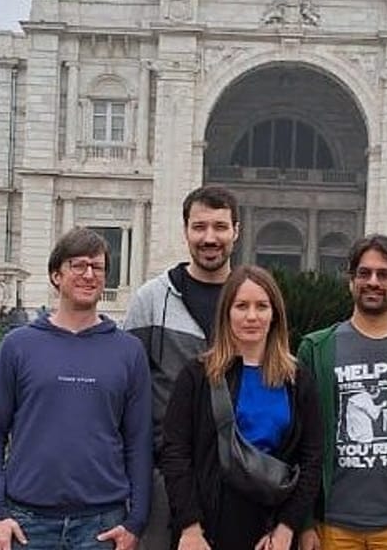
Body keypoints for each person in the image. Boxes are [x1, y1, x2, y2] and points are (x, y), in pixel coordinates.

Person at [0, 227, 152, 550]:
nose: (89, 275)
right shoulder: (18, 346)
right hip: (27, 525)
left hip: (102, 526)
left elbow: (138, 443)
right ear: (56, 275)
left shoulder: (129, 351)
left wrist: (135, 521)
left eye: (97, 267)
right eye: (78, 265)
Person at [160, 265, 322, 550]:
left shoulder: (297, 380)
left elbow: (310, 459)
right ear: (226, 313)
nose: (251, 316)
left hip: (272, 531)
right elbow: (175, 454)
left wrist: (287, 528)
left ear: (274, 314)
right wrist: (190, 526)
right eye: (241, 306)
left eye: (261, 306)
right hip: (207, 530)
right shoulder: (196, 376)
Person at [123, 185, 240, 550]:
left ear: (237, 230)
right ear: (185, 230)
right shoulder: (150, 299)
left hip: (239, 482)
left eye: (220, 227)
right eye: (199, 227)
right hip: (164, 481)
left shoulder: (252, 302)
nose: (209, 238)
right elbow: (127, 395)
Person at [297, 234, 387, 550]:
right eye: (364, 273)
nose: (373, 282)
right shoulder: (317, 348)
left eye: (384, 274)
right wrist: (305, 522)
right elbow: (301, 440)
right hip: (333, 524)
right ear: (351, 281)